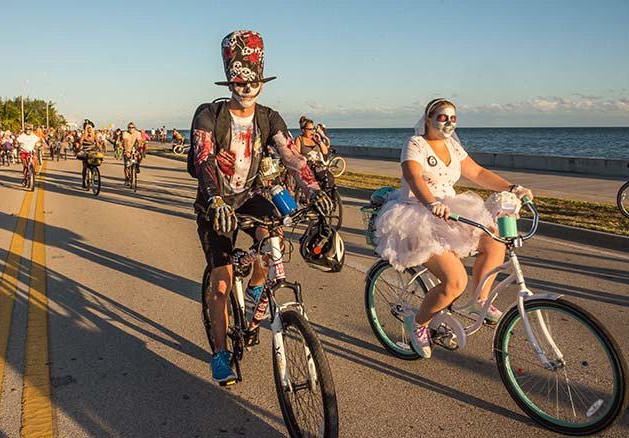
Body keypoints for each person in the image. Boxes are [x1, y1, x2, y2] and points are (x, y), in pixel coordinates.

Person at [194, 30, 333, 384]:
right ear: (230, 80)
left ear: (262, 81)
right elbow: (204, 158)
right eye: (240, 77)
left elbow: (291, 156)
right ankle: (221, 353)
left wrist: (314, 190)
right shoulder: (209, 113)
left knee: (270, 251)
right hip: (217, 202)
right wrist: (213, 197)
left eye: (253, 77)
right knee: (223, 283)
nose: (246, 84)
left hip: (251, 196)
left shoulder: (269, 117)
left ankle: (256, 290)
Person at [372, 98, 534, 359]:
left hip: (451, 211)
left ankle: (480, 302)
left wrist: (512, 188)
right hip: (418, 215)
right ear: (428, 119)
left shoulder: (452, 146)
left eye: (453, 118)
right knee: (455, 281)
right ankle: (419, 324)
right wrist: (432, 202)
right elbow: (413, 177)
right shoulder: (415, 144)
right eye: (442, 117)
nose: (448, 122)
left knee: (494, 241)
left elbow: (478, 173)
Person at [294, 116, 335, 193]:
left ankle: (331, 199)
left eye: (313, 129)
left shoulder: (315, 139)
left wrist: (319, 142)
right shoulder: (299, 139)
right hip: (308, 166)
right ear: (303, 130)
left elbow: (325, 152)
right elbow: (297, 155)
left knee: (329, 178)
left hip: (319, 165)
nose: (312, 131)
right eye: (309, 129)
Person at [77, 121, 101, 188]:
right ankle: (84, 181)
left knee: (95, 162)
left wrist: (100, 150)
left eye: (90, 128)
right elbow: (81, 143)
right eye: (88, 128)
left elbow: (98, 144)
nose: (89, 129)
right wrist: (79, 150)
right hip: (85, 151)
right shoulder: (84, 135)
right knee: (85, 166)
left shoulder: (94, 135)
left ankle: (94, 174)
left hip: (93, 151)